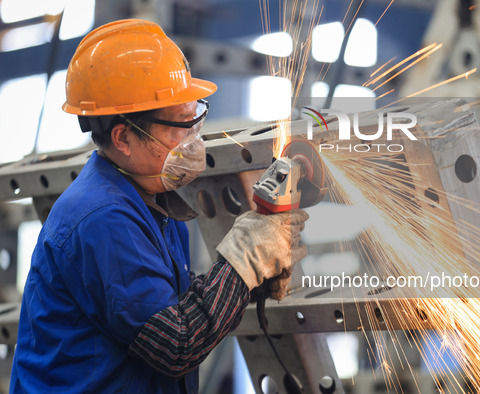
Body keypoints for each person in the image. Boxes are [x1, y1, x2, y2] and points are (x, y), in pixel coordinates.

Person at [10, 19, 308, 393]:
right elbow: (175, 344)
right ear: (123, 138)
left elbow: (163, 304)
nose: (193, 137)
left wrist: (249, 282)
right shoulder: (103, 218)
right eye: (180, 125)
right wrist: (242, 262)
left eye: (194, 117)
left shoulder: (149, 201)